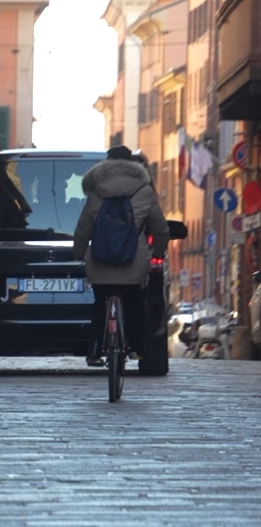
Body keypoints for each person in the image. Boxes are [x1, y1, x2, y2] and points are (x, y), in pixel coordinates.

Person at [73, 145, 169, 367]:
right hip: (134, 261)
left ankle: (94, 351)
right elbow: (161, 229)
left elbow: (83, 229)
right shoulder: (144, 190)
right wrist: (158, 252)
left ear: (106, 163)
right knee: (135, 303)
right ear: (133, 165)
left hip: (100, 259)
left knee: (100, 304)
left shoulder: (95, 191)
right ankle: (139, 349)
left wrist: (78, 254)